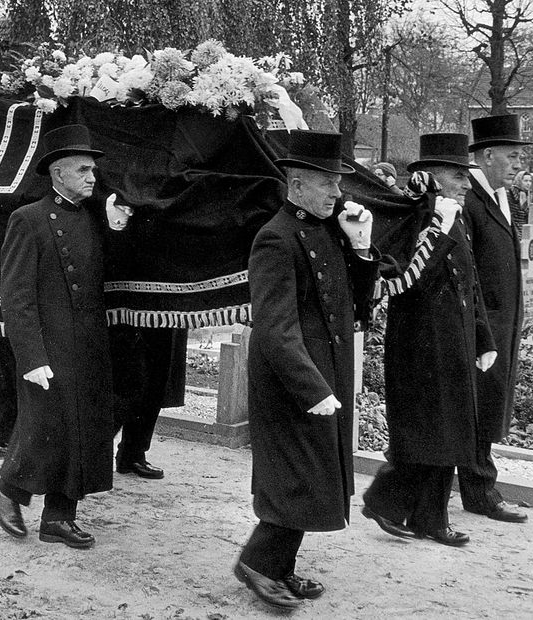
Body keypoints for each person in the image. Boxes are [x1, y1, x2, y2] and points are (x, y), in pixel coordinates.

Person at [234, 130, 379, 610]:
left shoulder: (325, 229)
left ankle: (282, 566)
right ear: (297, 185)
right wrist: (311, 387)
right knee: (296, 474)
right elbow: (275, 326)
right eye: (328, 184)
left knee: (313, 473)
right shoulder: (275, 238)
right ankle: (258, 562)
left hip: (323, 370)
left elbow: (357, 304)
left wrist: (361, 249)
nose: (338, 194)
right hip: (291, 378)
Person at [0, 124, 126, 550]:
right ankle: (8, 490)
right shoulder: (27, 219)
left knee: (81, 431)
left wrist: (118, 230)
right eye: (83, 170)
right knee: (46, 427)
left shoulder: (93, 218)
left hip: (88, 344)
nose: (92, 178)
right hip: (48, 346)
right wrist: (30, 356)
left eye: (93, 171)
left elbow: (107, 275)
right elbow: (17, 297)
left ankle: (59, 518)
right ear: (58, 174)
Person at [362, 133, 497, 548]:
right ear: (431, 175)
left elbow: (468, 285)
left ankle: (423, 515)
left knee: (450, 432)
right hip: (419, 342)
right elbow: (402, 279)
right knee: (426, 432)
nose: (466, 183)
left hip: (453, 340)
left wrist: (483, 338)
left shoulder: (452, 213)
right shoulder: (413, 214)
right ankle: (395, 503)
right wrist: (436, 224)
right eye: (458, 175)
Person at [460, 114, 532, 524]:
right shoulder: (470, 199)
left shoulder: (502, 195)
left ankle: (479, 486)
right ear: (487, 155)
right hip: (483, 323)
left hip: (504, 322)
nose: (518, 162)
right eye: (512, 155)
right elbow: (468, 271)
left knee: (489, 404)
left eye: (520, 155)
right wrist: (482, 327)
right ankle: (480, 490)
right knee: (480, 404)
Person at [111, 326, 187, 479]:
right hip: (134, 316)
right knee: (131, 379)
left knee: (156, 379)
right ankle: (95, 453)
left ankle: (132, 453)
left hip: (163, 315)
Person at [509, 170, 532, 240]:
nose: (528, 183)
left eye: (530, 181)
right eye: (525, 181)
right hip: (514, 230)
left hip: (526, 230)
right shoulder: (511, 193)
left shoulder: (529, 195)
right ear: (519, 180)